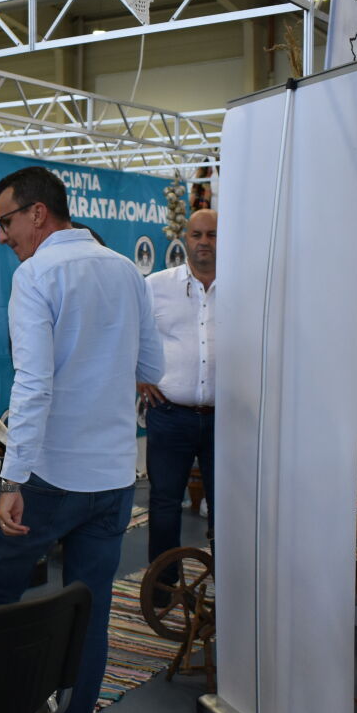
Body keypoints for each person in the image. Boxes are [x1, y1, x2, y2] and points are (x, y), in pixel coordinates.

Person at [0, 166, 163, 713]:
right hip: (112, 479)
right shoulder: (126, 270)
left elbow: (34, 384)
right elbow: (153, 365)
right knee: (89, 617)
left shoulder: (37, 275)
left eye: (6, 221)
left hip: (48, 477)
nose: (3, 235)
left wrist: (12, 479)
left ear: (37, 213)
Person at [141, 209, 217, 589]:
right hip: (169, 414)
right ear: (185, 238)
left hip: (227, 419)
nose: (204, 242)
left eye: (212, 235)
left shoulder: (246, 290)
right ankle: (163, 587)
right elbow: (128, 332)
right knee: (164, 503)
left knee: (226, 504)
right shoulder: (155, 286)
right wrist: (139, 376)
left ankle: (229, 588)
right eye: (196, 234)